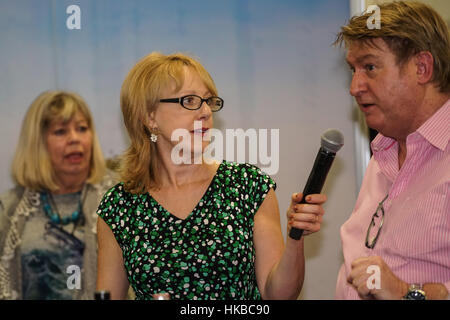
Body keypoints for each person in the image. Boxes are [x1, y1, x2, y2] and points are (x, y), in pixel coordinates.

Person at [96, 52, 327, 300]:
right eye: (190, 100)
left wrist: (295, 237)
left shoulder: (246, 185)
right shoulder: (120, 206)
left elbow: (278, 296)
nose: (206, 111)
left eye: (209, 101)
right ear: (149, 117)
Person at [334, 1, 450, 300]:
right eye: (353, 70)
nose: (354, 86)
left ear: (421, 68)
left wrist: (407, 293)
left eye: (370, 67)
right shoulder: (383, 152)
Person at [0, 91, 116, 299]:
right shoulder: (9, 209)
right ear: (37, 143)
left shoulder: (119, 198)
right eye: (61, 131)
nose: (75, 139)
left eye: (82, 128)